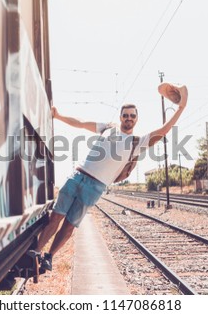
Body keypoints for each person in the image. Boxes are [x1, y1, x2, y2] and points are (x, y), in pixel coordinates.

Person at [37, 84, 188, 271]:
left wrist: (180, 108)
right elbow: (82, 123)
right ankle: (35, 253)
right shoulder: (108, 128)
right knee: (55, 217)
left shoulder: (137, 142)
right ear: (120, 117)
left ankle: (48, 257)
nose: (129, 118)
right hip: (78, 176)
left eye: (132, 116)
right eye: (126, 115)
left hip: (95, 188)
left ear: (137, 119)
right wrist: (58, 116)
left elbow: (163, 130)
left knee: (69, 226)